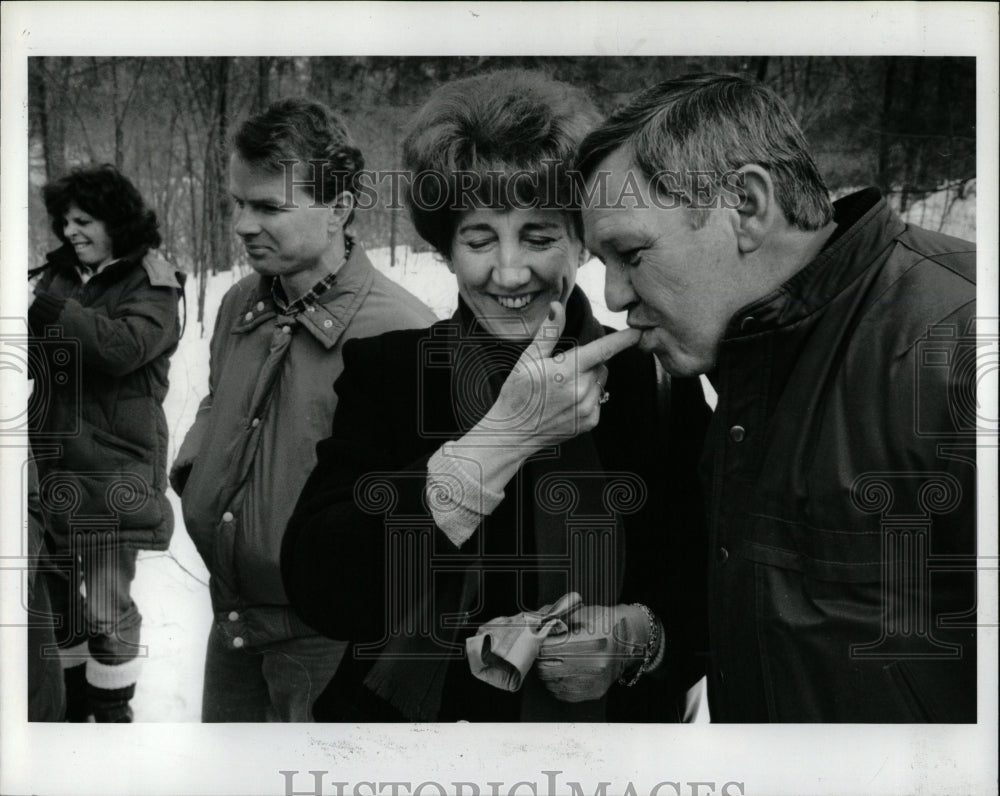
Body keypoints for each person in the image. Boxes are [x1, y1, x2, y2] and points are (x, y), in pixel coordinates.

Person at [281, 69, 711, 722]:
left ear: (583, 242)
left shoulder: (652, 377)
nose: (510, 272)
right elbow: (323, 590)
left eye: (539, 237)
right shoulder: (393, 373)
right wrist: (500, 440)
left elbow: (714, 580)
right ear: (447, 250)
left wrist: (637, 638)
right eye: (480, 240)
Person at [576, 72, 977, 722]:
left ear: (748, 206)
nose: (615, 295)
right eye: (602, 265)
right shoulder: (744, 373)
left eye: (629, 253)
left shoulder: (964, 342)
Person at [169, 98, 437, 722]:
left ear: (339, 208)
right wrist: (196, 477)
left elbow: (417, 514)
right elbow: (217, 400)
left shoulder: (401, 331)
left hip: (328, 647)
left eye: (268, 207)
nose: (242, 224)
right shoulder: (241, 303)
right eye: (237, 202)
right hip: (231, 628)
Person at [29, 164, 185, 722]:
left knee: (106, 609)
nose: (70, 231)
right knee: (57, 605)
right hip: (50, 469)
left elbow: (124, 346)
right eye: (64, 222)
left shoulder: (154, 282)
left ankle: (113, 711)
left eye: (84, 220)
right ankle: (73, 708)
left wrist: (47, 310)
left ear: (115, 220)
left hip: (113, 472)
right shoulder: (59, 277)